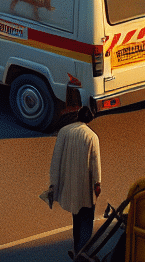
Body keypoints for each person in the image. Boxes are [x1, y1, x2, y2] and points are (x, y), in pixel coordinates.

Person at [48, 105, 102, 258]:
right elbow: (95, 164)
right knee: (87, 219)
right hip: (85, 188)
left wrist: (54, 183)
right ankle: (82, 251)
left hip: (70, 186)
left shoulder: (64, 132)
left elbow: (56, 159)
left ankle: (76, 246)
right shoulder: (92, 137)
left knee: (76, 218)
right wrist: (97, 185)